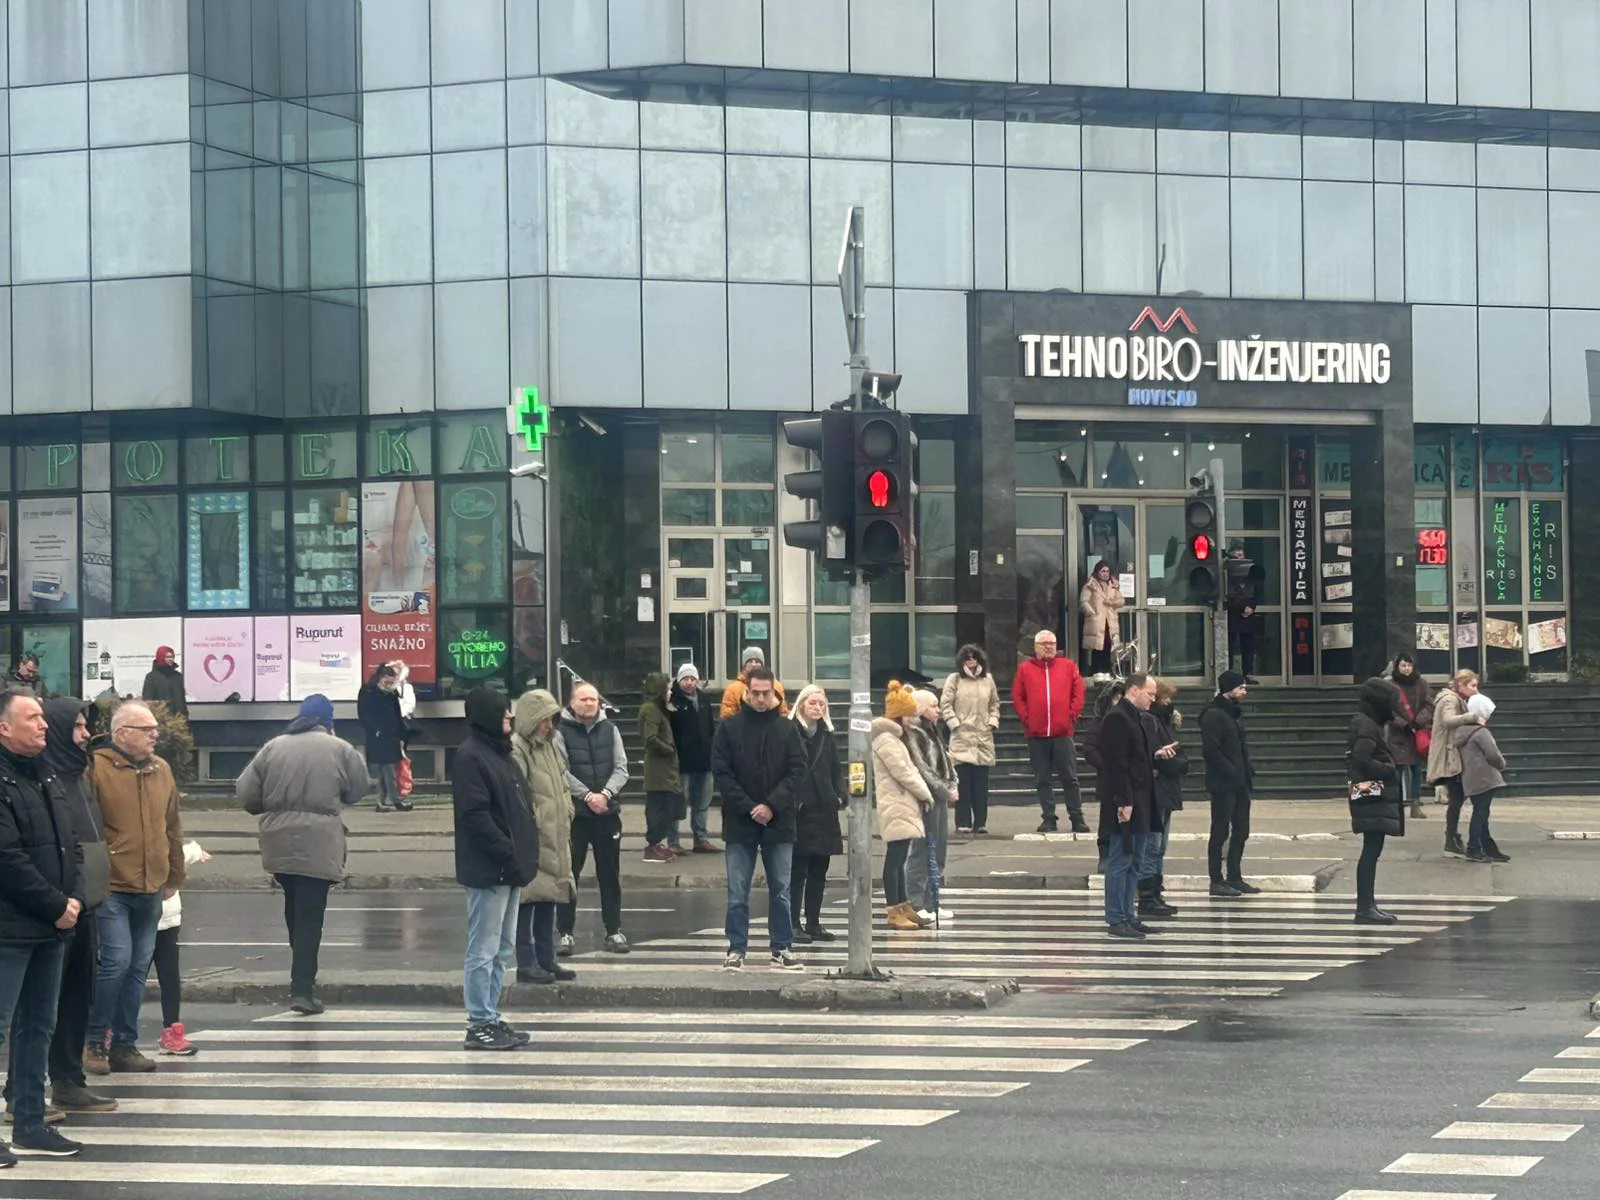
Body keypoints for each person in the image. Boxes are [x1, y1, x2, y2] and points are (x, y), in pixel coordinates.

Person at [236, 694, 371, 1015]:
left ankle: (301, 976)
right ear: (329, 719)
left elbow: (246, 792)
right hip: (320, 840)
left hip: (277, 838)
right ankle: (302, 989)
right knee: (311, 917)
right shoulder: (341, 749)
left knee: (294, 908)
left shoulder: (273, 747)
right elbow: (358, 787)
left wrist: (269, 808)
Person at [0, 691, 85, 1162]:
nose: (42, 725)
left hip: (51, 926)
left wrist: (70, 898)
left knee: (38, 1028)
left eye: (42, 717)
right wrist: (56, 903)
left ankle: (30, 1124)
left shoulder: (46, 773)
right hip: (9, 927)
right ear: (3, 727)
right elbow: (6, 857)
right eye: (31, 717)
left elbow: (68, 843)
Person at [85, 701, 185, 1077]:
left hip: (151, 884)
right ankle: (94, 1040)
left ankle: (124, 1044)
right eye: (147, 729)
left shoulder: (161, 770)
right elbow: (87, 829)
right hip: (112, 884)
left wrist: (173, 875)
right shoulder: (96, 769)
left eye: (156, 728)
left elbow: (172, 826)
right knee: (116, 962)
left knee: (138, 968)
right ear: (122, 733)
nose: (155, 734)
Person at [34, 700, 114, 1114]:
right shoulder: (44, 779)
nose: (85, 734)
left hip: (89, 903)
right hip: (57, 907)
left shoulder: (79, 779)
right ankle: (24, 1091)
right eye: (78, 726)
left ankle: (68, 1081)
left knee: (77, 996)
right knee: (43, 1005)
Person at [452, 687, 539, 1051]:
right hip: (491, 868)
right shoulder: (471, 756)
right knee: (483, 949)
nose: (510, 718)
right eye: (504, 713)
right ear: (487, 715)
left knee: (502, 948)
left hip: (510, 868)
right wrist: (507, 850)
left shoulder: (501, 754)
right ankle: (479, 1022)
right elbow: (475, 816)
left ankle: (490, 1014)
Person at [712, 666, 806, 970]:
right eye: (756, 693)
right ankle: (736, 948)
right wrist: (750, 806)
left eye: (767, 693)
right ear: (747, 693)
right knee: (737, 890)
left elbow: (797, 772)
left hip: (779, 821)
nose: (761, 698)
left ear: (775, 694)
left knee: (781, 889)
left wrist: (771, 805)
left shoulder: (788, 729)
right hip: (741, 822)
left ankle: (782, 946)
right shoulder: (729, 728)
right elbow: (722, 773)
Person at [555, 682, 630, 956]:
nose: (590, 703)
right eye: (584, 699)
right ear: (572, 703)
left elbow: (622, 768)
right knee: (569, 874)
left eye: (594, 699)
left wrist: (606, 794)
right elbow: (561, 771)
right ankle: (565, 933)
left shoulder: (611, 730)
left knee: (609, 875)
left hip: (607, 814)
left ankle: (614, 930)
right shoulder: (560, 732)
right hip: (576, 815)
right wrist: (588, 796)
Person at [510, 689, 577, 985]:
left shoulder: (549, 746)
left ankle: (547, 959)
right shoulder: (518, 748)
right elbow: (520, 793)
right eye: (544, 720)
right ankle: (527, 963)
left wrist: (568, 811)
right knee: (528, 901)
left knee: (549, 897)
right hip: (534, 837)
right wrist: (535, 821)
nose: (549, 726)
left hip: (554, 833)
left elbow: (562, 782)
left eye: (552, 720)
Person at [1098, 673, 1158, 939]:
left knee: (1136, 859)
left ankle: (1128, 914)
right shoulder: (1117, 718)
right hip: (1125, 799)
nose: (1153, 699)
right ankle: (1116, 917)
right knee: (1121, 859)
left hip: (1142, 798)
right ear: (1134, 690)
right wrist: (1124, 800)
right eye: (1150, 694)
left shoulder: (1137, 718)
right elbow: (1116, 763)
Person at [1011, 628, 1088, 834]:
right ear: (1035, 647)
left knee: (1070, 778)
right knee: (1042, 779)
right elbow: (1018, 697)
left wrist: (1071, 716)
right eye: (1044, 644)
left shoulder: (1068, 666)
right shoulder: (1025, 669)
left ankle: (1077, 817)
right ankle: (1048, 818)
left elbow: (1078, 693)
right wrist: (1027, 719)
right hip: (1036, 734)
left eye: (1052, 644)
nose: (1049, 647)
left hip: (1062, 733)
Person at [873, 683, 933, 931]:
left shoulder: (896, 738)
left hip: (902, 803)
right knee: (895, 859)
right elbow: (904, 773)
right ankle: (893, 909)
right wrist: (925, 794)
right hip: (896, 803)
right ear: (899, 714)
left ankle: (902, 904)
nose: (913, 719)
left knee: (899, 856)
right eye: (909, 714)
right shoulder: (887, 740)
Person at [788, 685, 845, 944]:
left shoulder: (826, 735)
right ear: (801, 705)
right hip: (800, 811)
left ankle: (813, 922)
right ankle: (792, 923)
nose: (818, 708)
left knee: (819, 871)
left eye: (822, 704)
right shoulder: (791, 732)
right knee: (797, 871)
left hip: (824, 810)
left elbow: (835, 769)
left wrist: (841, 794)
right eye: (813, 703)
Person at [1347, 679, 1404, 924]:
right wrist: (1389, 769)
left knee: (1372, 849)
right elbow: (1360, 759)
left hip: (1369, 791)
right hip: (1371, 792)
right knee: (1371, 850)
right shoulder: (1366, 726)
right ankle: (1365, 907)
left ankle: (1368, 905)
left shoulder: (1366, 723)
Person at [1201, 671, 1258, 898]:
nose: (1245, 692)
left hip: (1240, 782)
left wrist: (1246, 770)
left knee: (1242, 829)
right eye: (1241, 688)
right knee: (1220, 830)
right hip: (1223, 783)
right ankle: (1216, 879)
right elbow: (1211, 751)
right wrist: (1231, 770)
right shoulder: (1213, 715)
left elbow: (1238, 747)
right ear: (1229, 689)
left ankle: (1235, 875)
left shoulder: (1232, 714)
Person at [151, 839, 209, 1055]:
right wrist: (195, 851)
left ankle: (172, 1029)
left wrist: (192, 852)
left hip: (168, 919)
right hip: (144, 917)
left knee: (170, 978)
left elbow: (178, 854)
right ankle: (113, 1034)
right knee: (130, 978)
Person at [1139, 679, 1188, 920]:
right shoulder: (1151, 721)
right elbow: (1158, 756)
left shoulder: (1165, 721)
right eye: (1164, 699)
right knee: (1152, 845)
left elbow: (1178, 753)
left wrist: (1175, 761)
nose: (1168, 703)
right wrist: (1171, 762)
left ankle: (1155, 892)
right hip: (1156, 791)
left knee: (1160, 846)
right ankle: (1148, 895)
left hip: (1166, 789)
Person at [905, 688, 955, 925]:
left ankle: (932, 901)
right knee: (922, 850)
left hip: (940, 796)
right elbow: (923, 768)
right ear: (922, 709)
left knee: (939, 849)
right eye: (934, 705)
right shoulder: (914, 732)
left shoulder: (933, 730)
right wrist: (944, 789)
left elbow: (945, 760)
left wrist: (952, 783)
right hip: (926, 797)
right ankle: (915, 902)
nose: (938, 709)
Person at [941, 644, 999, 835]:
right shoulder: (955, 679)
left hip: (983, 736)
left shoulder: (988, 680)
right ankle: (962, 822)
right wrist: (954, 724)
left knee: (981, 784)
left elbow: (994, 704)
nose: (971, 661)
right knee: (963, 783)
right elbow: (945, 704)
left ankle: (980, 822)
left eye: (974, 657)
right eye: (967, 657)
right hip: (962, 736)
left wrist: (992, 721)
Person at [1428, 669, 1482, 857]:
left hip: (1453, 754)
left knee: (1457, 798)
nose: (1475, 690)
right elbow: (1448, 720)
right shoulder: (1449, 700)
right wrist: (1472, 717)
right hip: (1449, 756)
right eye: (1472, 686)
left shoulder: (1457, 699)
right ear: (1461, 685)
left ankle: (1452, 838)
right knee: (1457, 798)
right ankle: (1451, 839)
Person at [668, 663, 718, 854]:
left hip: (704, 761)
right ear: (679, 680)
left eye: (692, 679)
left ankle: (701, 839)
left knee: (702, 803)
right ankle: (673, 841)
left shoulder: (704, 699)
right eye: (685, 679)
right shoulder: (673, 700)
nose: (689, 683)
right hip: (682, 762)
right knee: (679, 803)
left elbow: (710, 728)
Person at [1455, 693, 1509, 864]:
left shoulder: (1462, 731)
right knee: (1481, 814)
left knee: (1481, 812)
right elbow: (1493, 755)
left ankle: (1487, 847)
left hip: (1471, 779)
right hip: (1485, 778)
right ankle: (1474, 848)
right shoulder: (1481, 732)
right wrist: (1502, 765)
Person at [1083, 680, 1128, 876]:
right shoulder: (1100, 722)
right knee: (1108, 818)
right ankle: (1105, 855)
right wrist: (1106, 765)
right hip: (1109, 779)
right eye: (1116, 698)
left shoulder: (1133, 720)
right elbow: (1089, 749)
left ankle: (1124, 854)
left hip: (1128, 778)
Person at [639, 671, 684, 862]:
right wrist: (669, 750)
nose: (670, 691)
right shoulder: (650, 709)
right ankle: (652, 845)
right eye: (667, 688)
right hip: (658, 771)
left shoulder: (659, 708)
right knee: (658, 808)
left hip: (666, 769)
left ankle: (657, 843)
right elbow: (650, 738)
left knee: (667, 808)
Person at [1386, 653, 1435, 821]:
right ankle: (1397, 805)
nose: (1406, 669)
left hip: (1417, 733)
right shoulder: (1390, 685)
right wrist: (1403, 724)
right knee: (1398, 769)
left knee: (1416, 769)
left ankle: (1415, 804)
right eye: (1403, 665)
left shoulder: (1421, 684)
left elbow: (1429, 705)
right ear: (1397, 666)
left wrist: (1418, 721)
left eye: (1409, 665)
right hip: (1398, 734)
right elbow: (1388, 710)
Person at [357, 664, 411, 812]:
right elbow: (364, 714)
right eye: (387, 682)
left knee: (389, 770)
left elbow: (396, 713)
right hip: (378, 737)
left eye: (391, 682)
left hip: (391, 735)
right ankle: (392, 801)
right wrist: (375, 730)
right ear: (380, 678)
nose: (389, 685)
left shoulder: (390, 693)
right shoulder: (368, 691)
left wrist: (401, 734)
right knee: (385, 771)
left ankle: (385, 801)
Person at [1079, 559, 1125, 676]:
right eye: (1102, 571)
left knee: (1108, 646)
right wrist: (1091, 613)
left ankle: (1106, 670)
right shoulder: (1090, 585)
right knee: (1097, 646)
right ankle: (1096, 670)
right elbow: (1084, 601)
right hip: (1097, 621)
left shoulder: (1113, 585)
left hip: (1109, 621)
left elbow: (1121, 601)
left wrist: (1111, 602)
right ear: (1097, 572)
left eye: (1107, 571)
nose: (1105, 574)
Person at [718, 646, 788, 718]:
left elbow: (783, 712)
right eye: (750, 661)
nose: (753, 664)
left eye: (757, 662)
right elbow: (726, 715)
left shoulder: (776, 686)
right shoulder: (733, 689)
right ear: (744, 666)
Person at [1225, 553, 1260, 685]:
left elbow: (1257, 595)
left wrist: (1251, 607)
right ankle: (1229, 673)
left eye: (1241, 555)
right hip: (1233, 615)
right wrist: (1242, 607)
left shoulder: (1251, 578)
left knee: (1248, 646)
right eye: (1237, 554)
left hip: (1247, 618)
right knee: (1230, 645)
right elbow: (1228, 597)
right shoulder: (1227, 576)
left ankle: (1248, 673)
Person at [140, 646, 187, 720]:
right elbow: (148, 700)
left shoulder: (178, 676)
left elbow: (182, 699)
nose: (171, 659)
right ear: (161, 657)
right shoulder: (152, 677)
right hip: (160, 720)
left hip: (178, 720)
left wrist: (184, 715)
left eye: (172, 656)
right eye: (167, 657)